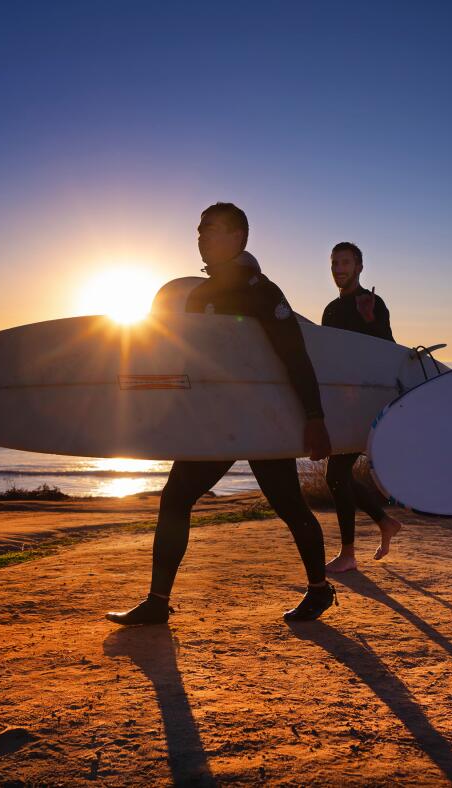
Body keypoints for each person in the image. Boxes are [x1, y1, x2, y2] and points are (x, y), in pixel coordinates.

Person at [106, 203, 337, 625]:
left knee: (289, 505)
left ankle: (320, 590)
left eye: (209, 230)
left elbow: (295, 357)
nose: (200, 237)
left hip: (259, 419)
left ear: (237, 237)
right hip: (216, 421)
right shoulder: (199, 294)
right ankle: (157, 601)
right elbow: (189, 363)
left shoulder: (262, 292)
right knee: (175, 500)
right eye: (198, 231)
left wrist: (314, 417)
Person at [320, 241, 404, 572]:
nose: (338, 268)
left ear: (359, 267)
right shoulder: (329, 310)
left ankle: (349, 553)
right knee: (336, 473)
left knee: (336, 472)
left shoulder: (372, 302)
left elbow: (388, 350)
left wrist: (371, 320)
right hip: (342, 401)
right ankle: (383, 523)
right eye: (334, 262)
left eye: (345, 262)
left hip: (366, 401)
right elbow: (327, 359)